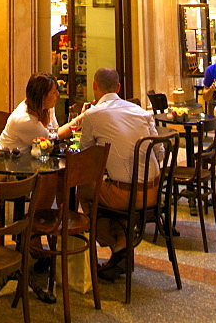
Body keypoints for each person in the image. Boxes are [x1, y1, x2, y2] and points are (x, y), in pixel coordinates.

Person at [76, 68, 159, 281]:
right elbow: (160, 151)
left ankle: (117, 246)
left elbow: (85, 154)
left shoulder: (93, 115)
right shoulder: (142, 112)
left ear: (94, 86)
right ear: (119, 87)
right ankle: (122, 244)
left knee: (84, 191)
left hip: (125, 196)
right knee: (109, 187)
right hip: (154, 192)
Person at [0, 72, 76, 154]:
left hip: (25, 160)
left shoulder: (45, 108)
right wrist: (82, 118)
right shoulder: (25, 120)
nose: (58, 94)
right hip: (5, 161)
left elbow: (54, 130)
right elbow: (52, 139)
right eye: (53, 92)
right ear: (42, 97)